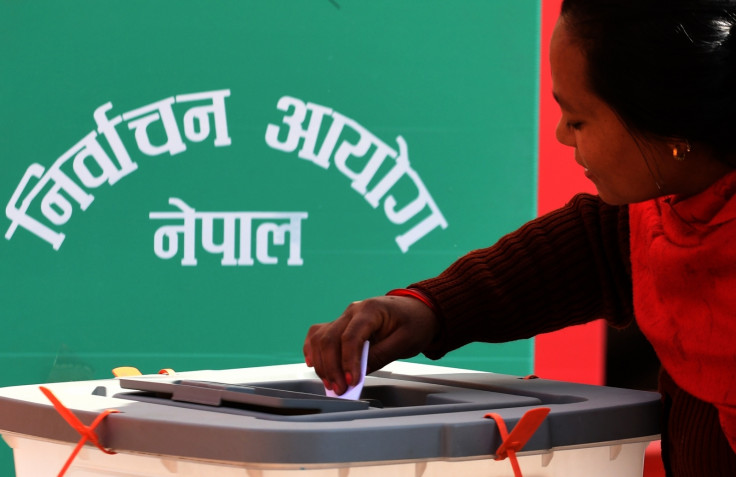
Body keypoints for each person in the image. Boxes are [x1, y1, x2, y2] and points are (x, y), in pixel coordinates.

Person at [303, 0, 736, 474]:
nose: (561, 136)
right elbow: (592, 248)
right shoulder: (658, 215)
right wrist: (426, 310)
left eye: (577, 119)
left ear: (667, 120)